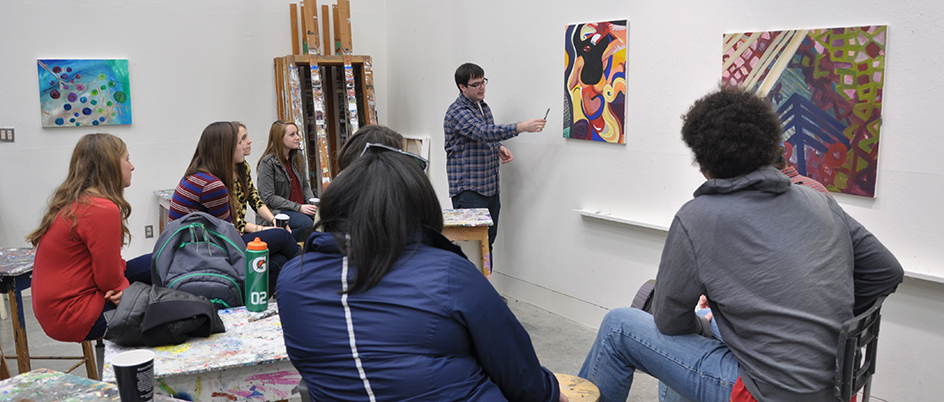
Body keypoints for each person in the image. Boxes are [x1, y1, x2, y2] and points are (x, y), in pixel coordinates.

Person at [578, 86, 904, 402]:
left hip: (762, 393)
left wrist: (702, 326)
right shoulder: (820, 200)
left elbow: (668, 322)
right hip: (833, 385)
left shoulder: (697, 216)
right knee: (714, 324)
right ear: (769, 146)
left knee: (617, 326)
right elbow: (886, 271)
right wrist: (832, 318)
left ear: (704, 161)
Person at [277, 145, 566, 402]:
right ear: (419, 209)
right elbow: (523, 379)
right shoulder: (449, 274)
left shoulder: (291, 280)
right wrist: (554, 394)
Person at [27, 133, 151, 342]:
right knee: (167, 310)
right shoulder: (101, 209)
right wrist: (127, 292)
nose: (132, 167)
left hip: (59, 308)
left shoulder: (77, 200)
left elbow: (108, 269)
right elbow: (108, 279)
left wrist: (122, 287)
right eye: (127, 159)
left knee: (160, 261)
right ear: (109, 165)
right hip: (73, 314)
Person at [169, 121, 299, 291]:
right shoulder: (212, 184)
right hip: (202, 251)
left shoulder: (207, 174)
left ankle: (252, 301)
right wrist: (264, 229)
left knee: (279, 260)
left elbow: (253, 198)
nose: (248, 143)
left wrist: (272, 220)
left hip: (209, 243)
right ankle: (313, 277)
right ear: (225, 149)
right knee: (283, 237)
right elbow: (230, 234)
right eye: (241, 141)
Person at [444, 62, 547, 254]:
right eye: (476, 84)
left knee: (486, 245)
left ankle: (483, 284)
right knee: (470, 248)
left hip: (490, 188)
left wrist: (497, 147)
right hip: (469, 191)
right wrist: (521, 127)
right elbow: (482, 132)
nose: (481, 87)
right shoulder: (457, 112)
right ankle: (471, 284)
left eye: (483, 82)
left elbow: (481, 137)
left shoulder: (483, 107)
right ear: (462, 87)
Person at [256, 120, 316, 242]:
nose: (297, 138)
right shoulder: (268, 163)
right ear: (280, 138)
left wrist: (312, 205)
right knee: (305, 224)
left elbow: (304, 185)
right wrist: (298, 207)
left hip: (299, 208)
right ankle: (282, 244)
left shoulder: (298, 156)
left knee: (325, 220)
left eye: (297, 133)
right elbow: (268, 197)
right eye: (292, 135)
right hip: (279, 211)